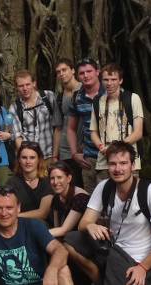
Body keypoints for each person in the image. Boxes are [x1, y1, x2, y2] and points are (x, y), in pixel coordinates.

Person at [64, 141, 151, 284]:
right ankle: (98, 278)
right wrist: (90, 226)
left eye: (123, 163)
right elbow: (84, 223)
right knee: (71, 240)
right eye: (112, 164)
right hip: (113, 251)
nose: (118, 169)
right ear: (107, 166)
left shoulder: (149, 191)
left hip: (138, 259)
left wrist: (143, 267)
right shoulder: (104, 187)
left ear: (133, 165)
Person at [0, 187, 72, 285]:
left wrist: (52, 270)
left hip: (41, 282)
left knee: (63, 270)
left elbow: (60, 250)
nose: (4, 213)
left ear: (18, 208)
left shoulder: (33, 226)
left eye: (9, 207)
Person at [90, 63, 144, 181]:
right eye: (106, 80)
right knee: (105, 196)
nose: (109, 83)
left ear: (121, 80)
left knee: (130, 195)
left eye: (113, 79)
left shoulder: (132, 99)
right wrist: (101, 147)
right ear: (101, 81)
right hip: (104, 161)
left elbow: (138, 132)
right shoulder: (97, 102)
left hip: (128, 160)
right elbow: (93, 131)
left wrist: (116, 148)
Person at [67, 58, 105, 193]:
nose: (86, 75)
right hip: (89, 158)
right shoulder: (78, 97)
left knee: (110, 199)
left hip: (109, 155)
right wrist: (74, 153)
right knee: (91, 200)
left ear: (97, 72)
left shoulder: (110, 92)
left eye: (89, 71)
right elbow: (71, 128)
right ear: (77, 76)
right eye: (82, 73)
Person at [9, 70, 61, 163]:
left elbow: (58, 127)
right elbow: (17, 137)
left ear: (34, 83)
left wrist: (55, 155)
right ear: (17, 87)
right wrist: (26, 158)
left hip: (49, 154)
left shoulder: (48, 97)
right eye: (21, 86)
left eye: (28, 84)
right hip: (30, 158)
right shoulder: (15, 107)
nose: (25, 88)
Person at [53, 58, 84, 188]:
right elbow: (58, 128)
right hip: (66, 151)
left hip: (84, 148)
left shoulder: (85, 90)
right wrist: (55, 155)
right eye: (58, 71)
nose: (61, 74)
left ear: (72, 70)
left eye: (64, 70)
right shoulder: (59, 97)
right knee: (71, 188)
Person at [4, 141, 53, 221]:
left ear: (39, 160)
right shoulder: (12, 182)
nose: (28, 162)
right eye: (24, 157)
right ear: (19, 160)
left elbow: (42, 213)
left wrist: (15, 216)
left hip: (42, 226)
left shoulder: (46, 181)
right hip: (18, 224)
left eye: (32, 158)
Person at [46, 161, 90, 238]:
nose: (55, 182)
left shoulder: (80, 197)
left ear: (69, 178)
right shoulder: (56, 198)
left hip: (82, 239)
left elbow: (64, 230)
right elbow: (57, 227)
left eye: (59, 177)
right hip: (66, 237)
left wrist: (36, 234)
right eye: (52, 178)